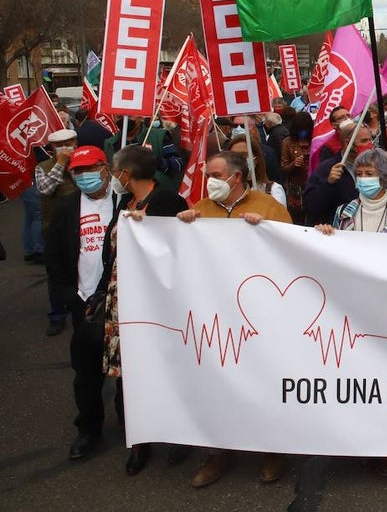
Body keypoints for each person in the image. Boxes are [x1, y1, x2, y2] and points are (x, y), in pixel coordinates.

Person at [176, 151, 291, 488]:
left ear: (236, 177)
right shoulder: (202, 208)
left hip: (262, 314)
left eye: (214, 173)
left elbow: (293, 251)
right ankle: (220, 451)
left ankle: (272, 449)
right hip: (217, 315)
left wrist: (267, 230)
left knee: (265, 379)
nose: (209, 179)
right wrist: (179, 227)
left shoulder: (269, 207)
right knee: (219, 381)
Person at [99, 145, 188, 475]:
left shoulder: (166, 202)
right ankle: (139, 440)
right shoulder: (124, 202)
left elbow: (178, 248)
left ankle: (179, 434)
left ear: (127, 174)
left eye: (115, 170)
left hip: (156, 304)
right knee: (128, 374)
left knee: (164, 366)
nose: (113, 176)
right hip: (122, 300)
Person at [42, 145, 117, 462]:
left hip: (122, 304)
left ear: (106, 168)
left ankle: (138, 436)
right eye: (78, 172)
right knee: (86, 374)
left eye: (90, 169)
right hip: (84, 304)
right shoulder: (68, 207)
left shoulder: (125, 201)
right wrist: (70, 298)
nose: (85, 176)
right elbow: (55, 256)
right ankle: (88, 431)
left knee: (129, 374)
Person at [36, 128, 78, 335]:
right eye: (60, 145)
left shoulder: (83, 164)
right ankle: (57, 315)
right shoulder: (43, 167)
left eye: (69, 143)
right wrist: (61, 164)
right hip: (54, 229)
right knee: (56, 274)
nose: (65, 148)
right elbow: (45, 189)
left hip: (80, 227)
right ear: (52, 147)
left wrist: (73, 167)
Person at [316, 148, 387, 233]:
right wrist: (325, 233)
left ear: (385, 176)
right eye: (359, 174)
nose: (363, 178)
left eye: (369, 174)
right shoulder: (342, 211)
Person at [302, 123, 374, 226]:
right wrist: (328, 183)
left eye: (370, 140)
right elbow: (310, 206)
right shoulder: (326, 169)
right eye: (364, 141)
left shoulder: (376, 165)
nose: (369, 145)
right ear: (348, 143)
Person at [227, 135, 287, 208]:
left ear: (256, 158)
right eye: (233, 156)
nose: (238, 160)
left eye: (244, 155)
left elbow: (280, 217)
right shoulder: (225, 193)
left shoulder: (273, 191)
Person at [280, 111, 314, 224]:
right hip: (295, 190)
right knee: (297, 219)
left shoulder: (315, 141)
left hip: (312, 186)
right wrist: (294, 164)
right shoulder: (287, 143)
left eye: (306, 129)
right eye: (300, 129)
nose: (303, 132)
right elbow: (284, 168)